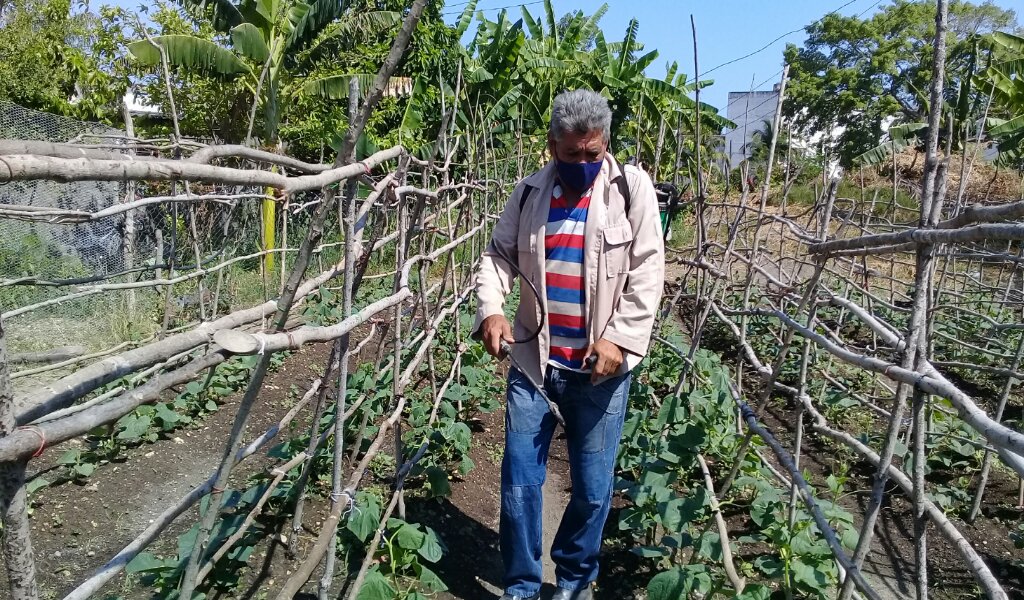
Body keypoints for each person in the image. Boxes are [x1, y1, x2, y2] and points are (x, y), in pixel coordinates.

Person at [472, 89, 665, 600]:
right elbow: (498, 256)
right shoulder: (529, 194)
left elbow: (648, 270)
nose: (583, 163)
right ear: (553, 145)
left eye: (592, 153)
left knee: (594, 489)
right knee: (518, 482)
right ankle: (521, 585)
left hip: (600, 373)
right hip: (536, 364)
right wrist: (491, 308)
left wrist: (619, 340)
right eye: (572, 154)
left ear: (604, 145)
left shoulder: (631, 189)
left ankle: (575, 581)